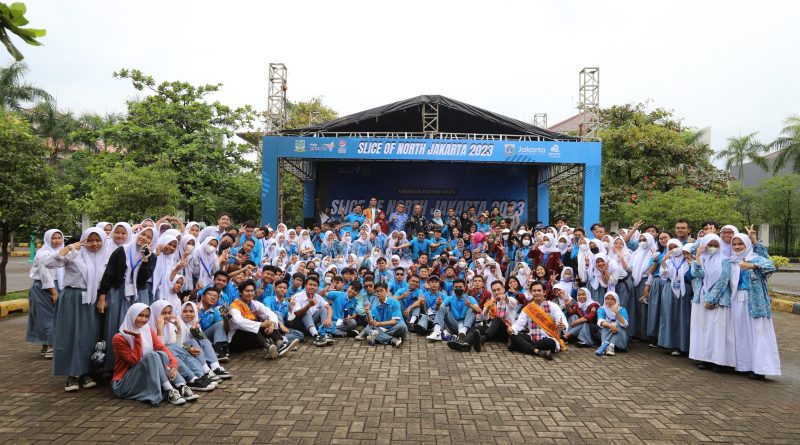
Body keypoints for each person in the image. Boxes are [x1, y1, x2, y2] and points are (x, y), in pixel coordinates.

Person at [46, 227, 106, 392]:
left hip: (92, 300)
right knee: (70, 336)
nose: (94, 244)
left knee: (89, 337)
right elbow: (49, 263)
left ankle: (86, 372)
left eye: (98, 240)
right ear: (84, 240)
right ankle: (71, 374)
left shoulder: (105, 258)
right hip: (72, 299)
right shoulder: (75, 254)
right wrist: (70, 247)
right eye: (90, 240)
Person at [111, 303, 196, 406]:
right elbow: (134, 361)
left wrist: (173, 364)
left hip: (143, 376)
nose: (144, 319)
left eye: (147, 316)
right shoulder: (119, 338)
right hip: (123, 383)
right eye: (140, 315)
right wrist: (137, 338)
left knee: (161, 354)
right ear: (132, 315)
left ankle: (181, 385)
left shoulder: (147, 329)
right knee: (151, 355)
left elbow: (162, 347)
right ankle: (169, 390)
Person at [96, 227, 155, 373]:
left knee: (138, 326)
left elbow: (143, 279)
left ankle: (136, 363)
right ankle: (113, 365)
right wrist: (102, 297)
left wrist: (145, 259)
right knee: (115, 325)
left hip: (138, 294)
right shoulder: (121, 251)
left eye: (149, 237)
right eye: (143, 234)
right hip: (118, 292)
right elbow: (109, 274)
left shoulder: (151, 256)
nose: (144, 238)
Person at [728, 234, 781, 379]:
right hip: (736, 301)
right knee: (741, 332)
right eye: (734, 244)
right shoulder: (731, 261)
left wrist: (752, 266)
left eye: (740, 244)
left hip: (755, 301)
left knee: (758, 332)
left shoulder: (754, 257)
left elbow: (771, 266)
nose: (737, 247)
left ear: (747, 245)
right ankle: (744, 365)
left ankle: (761, 368)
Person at [689, 234, 734, 372]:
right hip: (701, 297)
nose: (713, 247)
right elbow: (696, 275)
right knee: (703, 329)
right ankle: (705, 358)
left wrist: (711, 299)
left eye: (716, 245)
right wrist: (697, 257)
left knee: (718, 331)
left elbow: (723, 280)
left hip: (718, 300)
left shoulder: (725, 260)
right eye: (710, 245)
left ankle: (719, 361)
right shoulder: (701, 258)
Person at [27, 229, 63, 359]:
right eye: (53, 238)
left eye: (59, 237)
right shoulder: (44, 253)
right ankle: (50, 346)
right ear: (47, 239)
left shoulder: (61, 251)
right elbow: (45, 275)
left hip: (57, 285)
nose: (57, 240)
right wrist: (53, 291)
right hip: (45, 288)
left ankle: (46, 343)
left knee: (52, 316)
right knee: (49, 317)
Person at [509, 282, 567, 360]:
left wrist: (562, 325)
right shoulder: (528, 308)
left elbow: (560, 317)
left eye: (539, 290)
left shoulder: (553, 306)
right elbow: (520, 323)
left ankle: (519, 346)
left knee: (549, 342)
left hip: (548, 337)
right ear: (531, 292)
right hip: (532, 336)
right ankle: (538, 351)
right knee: (514, 336)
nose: (536, 293)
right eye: (534, 291)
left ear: (544, 292)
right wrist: (512, 329)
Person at [289, 276, 335, 347]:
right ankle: (316, 336)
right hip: (299, 325)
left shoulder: (318, 297)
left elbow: (329, 308)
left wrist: (328, 319)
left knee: (324, 309)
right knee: (306, 311)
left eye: (315, 285)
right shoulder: (298, 296)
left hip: (311, 324)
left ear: (317, 287)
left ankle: (325, 333)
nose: (312, 287)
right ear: (305, 286)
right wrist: (309, 305)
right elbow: (297, 314)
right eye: (310, 285)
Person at [357, 283, 407, 347]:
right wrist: (367, 313)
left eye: (381, 290)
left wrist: (378, 324)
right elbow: (371, 323)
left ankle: (378, 337)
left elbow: (394, 322)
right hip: (382, 329)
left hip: (394, 328)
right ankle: (392, 340)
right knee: (368, 329)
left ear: (386, 291)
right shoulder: (374, 305)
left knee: (402, 326)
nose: (379, 293)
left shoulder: (394, 302)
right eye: (377, 291)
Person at [595, 291, 630, 356]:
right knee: (605, 324)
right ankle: (605, 346)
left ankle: (610, 346)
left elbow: (625, 324)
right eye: (607, 299)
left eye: (612, 299)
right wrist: (610, 325)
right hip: (605, 334)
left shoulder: (622, 310)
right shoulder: (601, 309)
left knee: (619, 325)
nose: (609, 301)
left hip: (620, 338)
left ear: (616, 300)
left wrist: (617, 313)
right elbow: (600, 321)